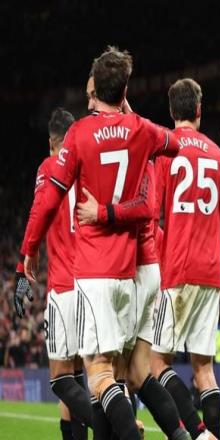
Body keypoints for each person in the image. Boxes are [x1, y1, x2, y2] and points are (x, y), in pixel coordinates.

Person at [23, 46, 180, 440]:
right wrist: (129, 115)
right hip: (128, 272)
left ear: (95, 92)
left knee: (97, 375)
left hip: (92, 271)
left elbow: (49, 199)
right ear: (124, 90)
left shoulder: (79, 134)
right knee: (119, 373)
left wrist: (30, 248)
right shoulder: (140, 128)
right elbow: (174, 144)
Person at [77, 78, 188, 440]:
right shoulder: (136, 145)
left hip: (134, 267)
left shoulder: (138, 154)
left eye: (94, 95)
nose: (90, 103)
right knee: (136, 374)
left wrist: (103, 213)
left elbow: (146, 208)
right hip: (140, 267)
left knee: (103, 372)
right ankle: (184, 436)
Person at [150, 78, 220, 440]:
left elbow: (152, 217)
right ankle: (215, 436)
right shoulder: (218, 154)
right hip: (210, 270)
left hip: (179, 269)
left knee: (156, 363)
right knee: (204, 369)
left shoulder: (167, 149)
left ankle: (198, 433)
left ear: (171, 111)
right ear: (198, 109)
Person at [14, 108, 92, 440]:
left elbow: (39, 212)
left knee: (60, 378)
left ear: (51, 141)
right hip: (94, 281)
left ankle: (117, 426)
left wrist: (22, 267)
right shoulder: (89, 167)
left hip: (64, 285)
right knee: (79, 374)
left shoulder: (48, 168)